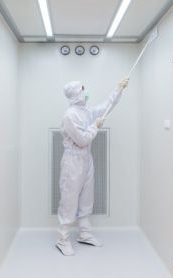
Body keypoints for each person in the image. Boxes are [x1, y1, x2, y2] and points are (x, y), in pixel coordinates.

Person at [56, 78, 129, 256]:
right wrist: (95, 127)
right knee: (69, 199)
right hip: (73, 162)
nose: (86, 91)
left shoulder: (85, 111)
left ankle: (84, 233)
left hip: (86, 159)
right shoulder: (69, 115)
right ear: (76, 94)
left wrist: (118, 89)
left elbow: (106, 107)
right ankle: (62, 239)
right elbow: (81, 140)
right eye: (83, 89)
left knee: (86, 198)